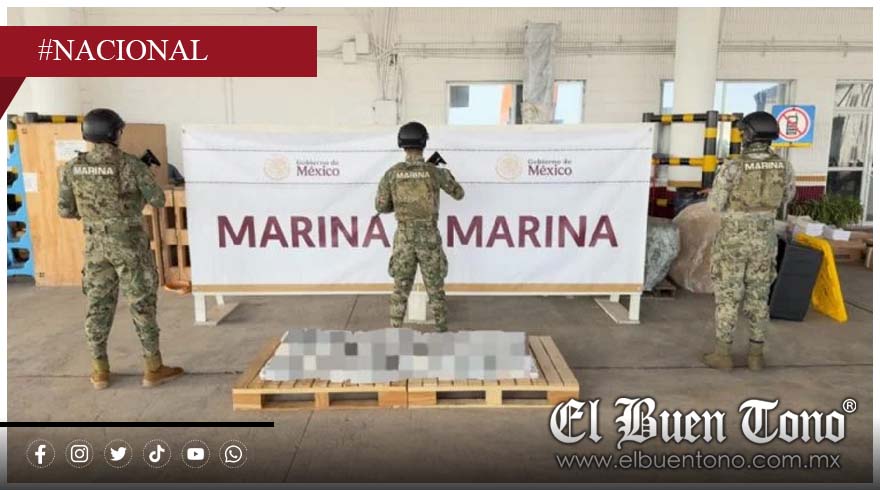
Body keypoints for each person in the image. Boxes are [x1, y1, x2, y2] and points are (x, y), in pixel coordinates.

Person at [58, 108, 184, 389]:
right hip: (130, 247)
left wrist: (95, 214)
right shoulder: (131, 165)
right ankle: (153, 367)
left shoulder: (72, 168)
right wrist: (138, 190)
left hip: (95, 249)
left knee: (97, 306)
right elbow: (158, 200)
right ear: (114, 133)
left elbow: (66, 210)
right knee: (141, 304)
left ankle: (100, 370)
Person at [703, 111, 796, 371]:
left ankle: (723, 354)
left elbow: (715, 205)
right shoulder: (784, 166)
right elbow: (787, 197)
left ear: (750, 135)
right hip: (764, 240)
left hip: (733, 241)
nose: (742, 135)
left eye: (744, 131)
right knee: (759, 296)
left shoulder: (733, 166)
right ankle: (756, 356)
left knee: (728, 297)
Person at [375, 122, 465, 332]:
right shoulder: (434, 172)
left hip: (404, 238)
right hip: (429, 237)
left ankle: (395, 330)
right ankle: (441, 330)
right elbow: (459, 194)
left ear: (401, 144)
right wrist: (441, 175)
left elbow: (381, 206)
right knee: (435, 288)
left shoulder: (392, 174)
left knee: (400, 288)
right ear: (424, 142)